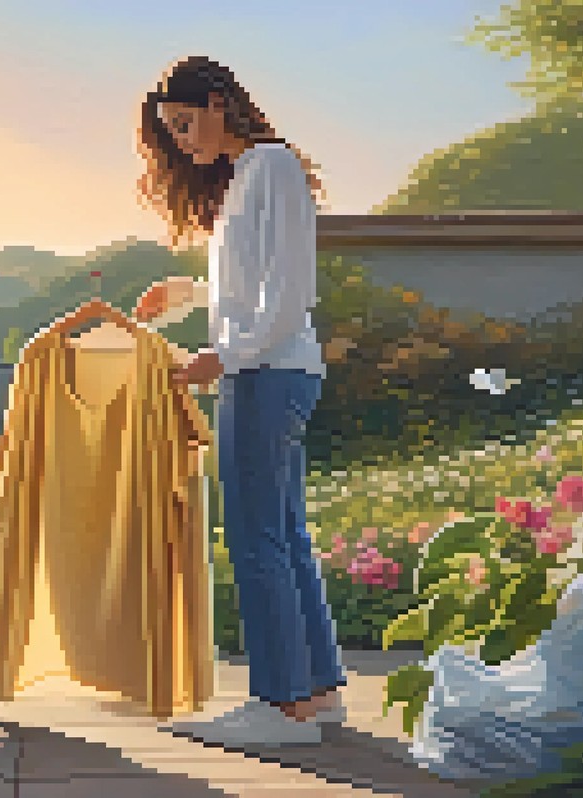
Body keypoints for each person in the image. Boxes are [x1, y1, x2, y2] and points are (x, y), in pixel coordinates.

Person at [132, 56, 345, 748]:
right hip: (273, 370)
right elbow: (253, 283)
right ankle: (315, 693)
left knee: (255, 540)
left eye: (187, 124)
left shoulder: (271, 167)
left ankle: (279, 708)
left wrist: (223, 358)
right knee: (283, 535)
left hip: (264, 374)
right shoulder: (248, 177)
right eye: (172, 131)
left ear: (221, 104)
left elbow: (289, 292)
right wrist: (186, 293)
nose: (183, 141)